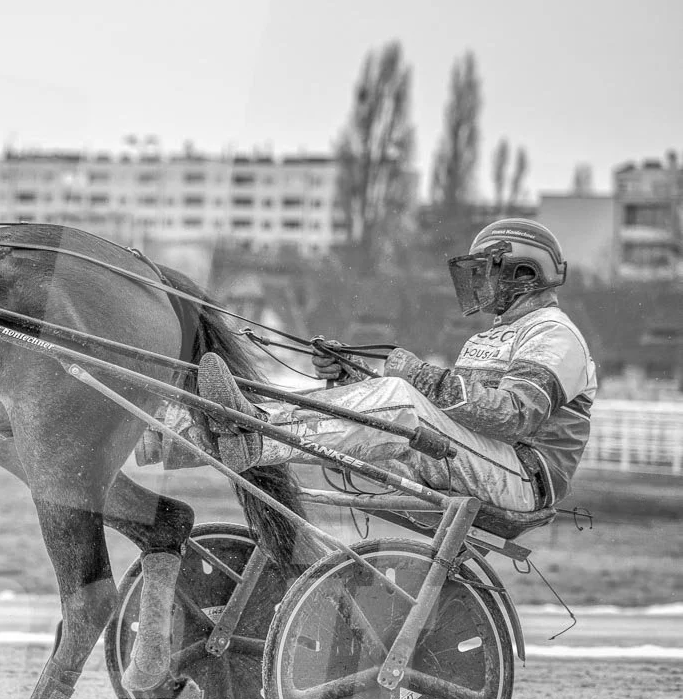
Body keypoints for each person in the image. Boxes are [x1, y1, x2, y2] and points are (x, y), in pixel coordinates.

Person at [197, 218, 597, 512]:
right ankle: (178, 433)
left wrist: (416, 376)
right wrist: (349, 374)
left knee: (401, 402)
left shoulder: (554, 334)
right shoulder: (485, 338)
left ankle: (257, 433)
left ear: (522, 273)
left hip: (522, 474)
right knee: (376, 405)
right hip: (475, 457)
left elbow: (511, 418)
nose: (475, 282)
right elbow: (450, 414)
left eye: (484, 271)